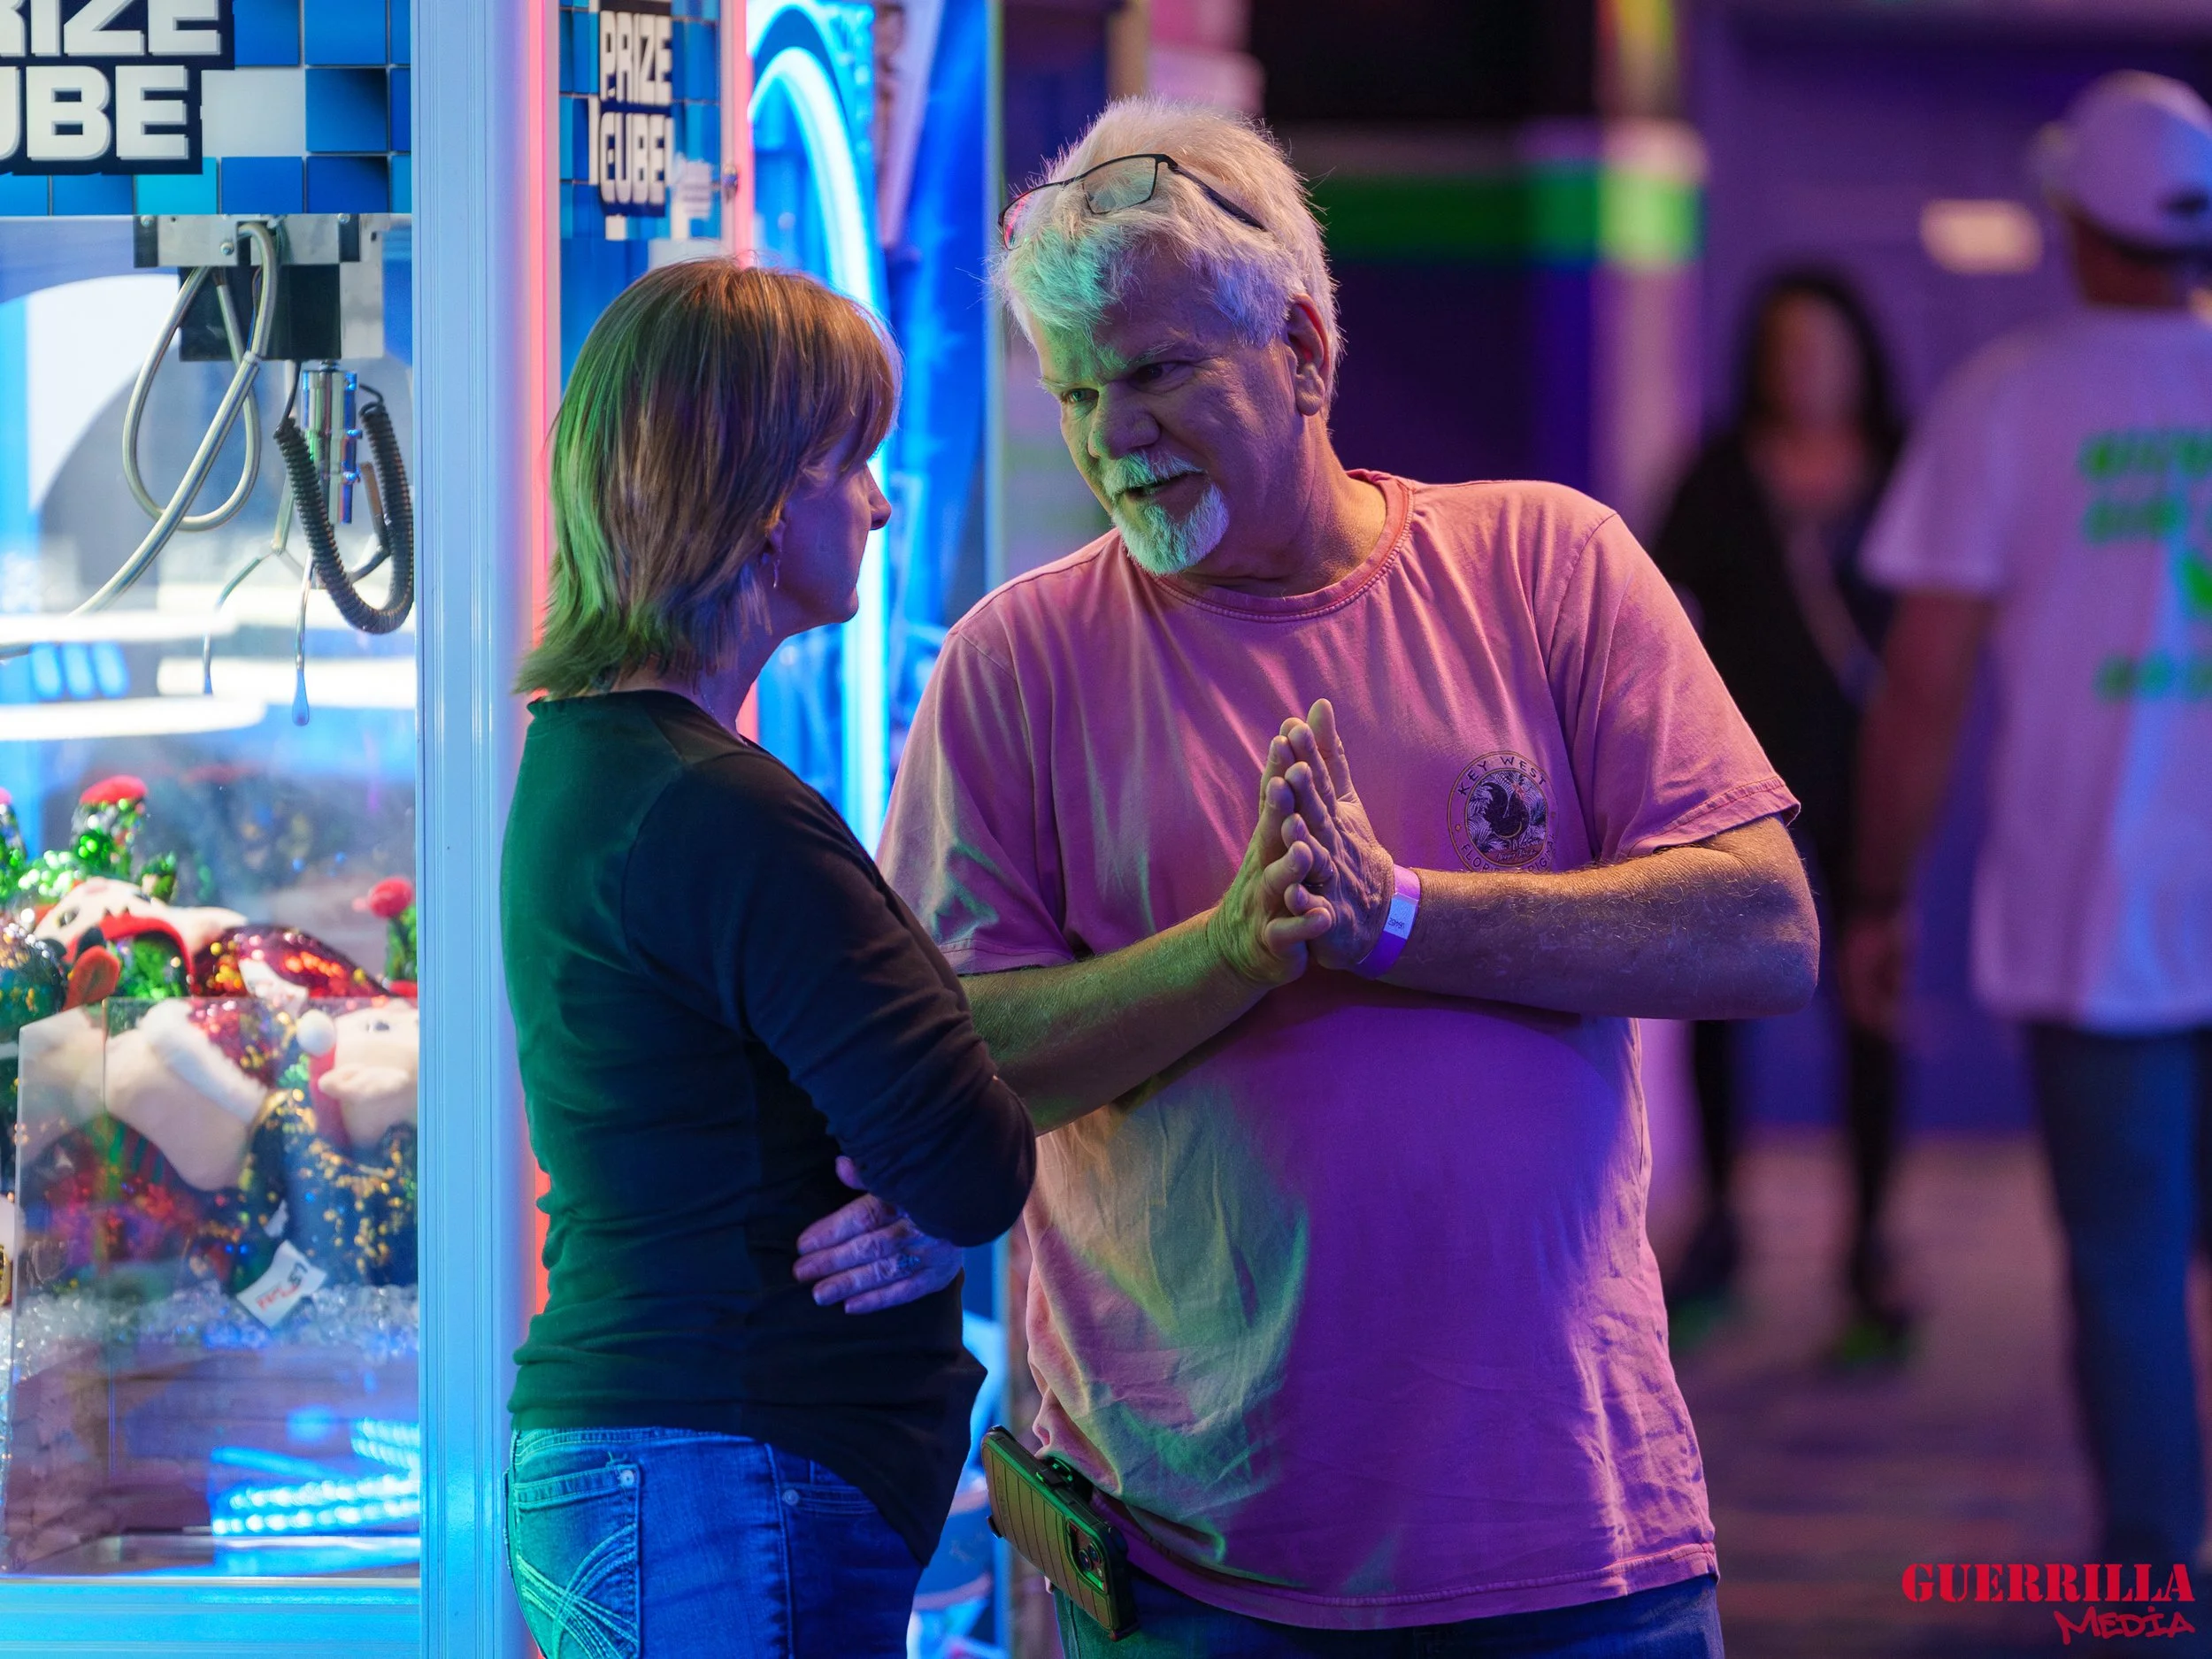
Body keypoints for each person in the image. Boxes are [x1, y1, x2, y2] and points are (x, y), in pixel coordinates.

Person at [880, 98, 1820, 1655]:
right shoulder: (1015, 662)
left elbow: (1761, 926)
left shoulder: (1548, 567)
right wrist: (1235, 952)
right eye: (1077, 392)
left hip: (1575, 1544)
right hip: (1183, 1569)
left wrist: (1397, 917)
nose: (1117, 435)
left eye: (1164, 372)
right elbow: (954, 1066)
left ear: (1306, 351)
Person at [499, 262, 1036, 1657]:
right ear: (753, 503)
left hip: (672, 1473)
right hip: (720, 1474)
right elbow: (972, 1157)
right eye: (848, 459)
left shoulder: (601, 762)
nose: (882, 497)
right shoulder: (717, 807)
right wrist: (924, 1189)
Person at [1845, 71, 2212, 1570]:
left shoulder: (2012, 398)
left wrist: (1873, 896)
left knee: (2126, 1274)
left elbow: (1922, 685)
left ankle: (2155, 1593)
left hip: (2096, 921)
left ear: (2073, 218)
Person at [1651, 270, 1908, 1361]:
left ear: (1859, 356)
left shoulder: (1904, 468)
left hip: (1872, 777)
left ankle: (1870, 1248)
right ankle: (1722, 1223)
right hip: (1740, 783)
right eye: (1786, 346)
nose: (1806, 367)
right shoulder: (1718, 473)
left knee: (1870, 998)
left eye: (1825, 345)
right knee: (1720, 998)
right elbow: (1651, 611)